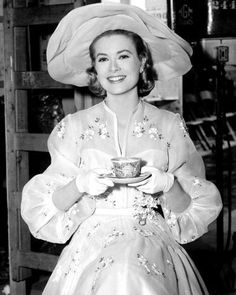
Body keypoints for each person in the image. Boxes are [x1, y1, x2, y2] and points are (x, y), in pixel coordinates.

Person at [21, 3, 222, 295]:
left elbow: (194, 212)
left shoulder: (169, 125)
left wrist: (168, 185)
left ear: (142, 63)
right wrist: (79, 185)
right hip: (92, 244)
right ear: (95, 68)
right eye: (103, 59)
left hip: (152, 242)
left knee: (133, 275)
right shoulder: (73, 127)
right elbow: (45, 209)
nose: (113, 68)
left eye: (123, 56)